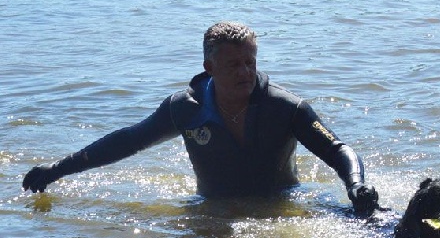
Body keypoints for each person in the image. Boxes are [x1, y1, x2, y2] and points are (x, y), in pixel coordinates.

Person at [22, 21, 379, 216]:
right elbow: (127, 142)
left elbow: (338, 150)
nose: (245, 73)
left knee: (367, 218)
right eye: (233, 65)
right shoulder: (185, 108)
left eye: (250, 63)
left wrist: (356, 185)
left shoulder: (285, 107)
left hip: (280, 204)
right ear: (209, 68)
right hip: (212, 210)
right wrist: (57, 170)